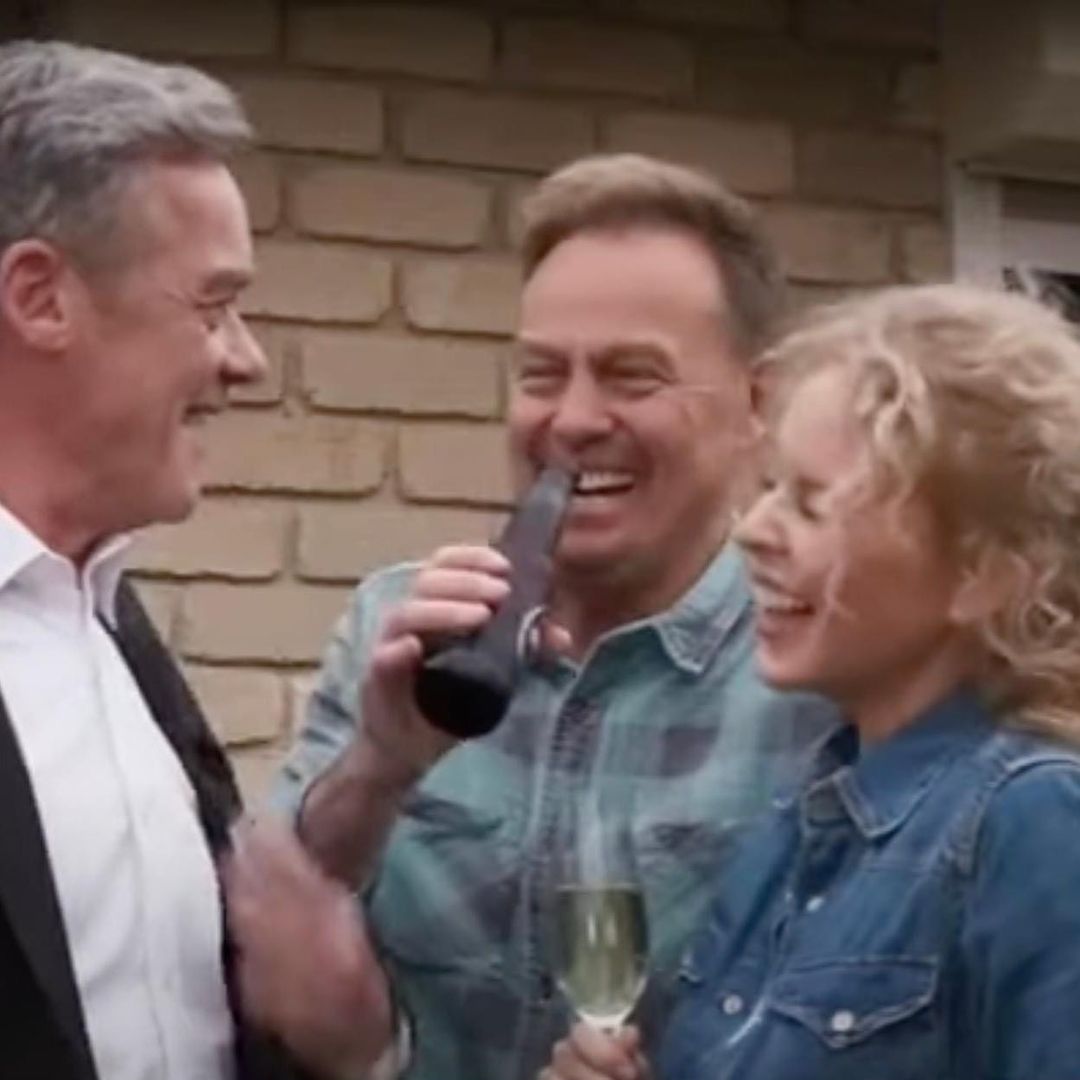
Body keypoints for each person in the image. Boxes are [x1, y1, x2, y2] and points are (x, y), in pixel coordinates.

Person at [272, 154, 836, 1080]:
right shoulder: (398, 623)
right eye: (541, 374)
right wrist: (377, 769)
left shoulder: (823, 666)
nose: (572, 420)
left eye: (632, 377)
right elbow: (270, 943)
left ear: (756, 404)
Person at [546, 283, 1080, 1080]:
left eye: (811, 503)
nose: (755, 532)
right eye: (769, 490)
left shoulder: (1036, 824)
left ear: (983, 575)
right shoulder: (799, 826)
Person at [0, 40, 389, 1080]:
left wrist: (328, 1032)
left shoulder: (108, 625)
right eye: (212, 307)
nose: (246, 360)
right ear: (40, 297)